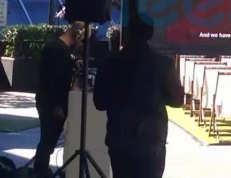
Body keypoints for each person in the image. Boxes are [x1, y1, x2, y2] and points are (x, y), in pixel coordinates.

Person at [94, 19, 183, 178]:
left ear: (126, 34)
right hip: (152, 139)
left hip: (119, 138)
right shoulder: (163, 63)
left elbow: (99, 103)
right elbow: (177, 101)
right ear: (151, 34)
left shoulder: (109, 63)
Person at [34, 21, 86, 178]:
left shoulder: (58, 48)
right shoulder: (57, 50)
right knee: (47, 141)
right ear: (77, 35)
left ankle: (40, 172)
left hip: (50, 101)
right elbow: (54, 80)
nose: (81, 45)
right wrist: (57, 106)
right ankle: (40, 173)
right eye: (82, 40)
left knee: (47, 141)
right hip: (51, 103)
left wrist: (73, 62)